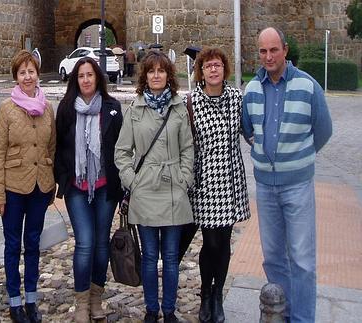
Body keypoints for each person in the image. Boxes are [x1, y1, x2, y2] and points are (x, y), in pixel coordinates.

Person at [242, 27, 332, 323]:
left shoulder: (308, 86)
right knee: (273, 259)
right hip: (266, 188)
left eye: (274, 50)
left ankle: (303, 318)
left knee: (303, 260)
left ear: (286, 49)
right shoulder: (253, 88)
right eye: (263, 51)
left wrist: (298, 157)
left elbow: (323, 130)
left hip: (298, 186)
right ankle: (280, 314)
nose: (268, 57)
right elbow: (247, 127)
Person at [115, 51, 194, 323]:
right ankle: (151, 308)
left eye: (161, 71)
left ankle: (169, 310)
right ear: (145, 76)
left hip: (173, 187)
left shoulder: (179, 108)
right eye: (151, 71)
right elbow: (122, 152)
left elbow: (187, 148)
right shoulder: (135, 110)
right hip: (145, 189)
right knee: (149, 256)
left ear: (168, 75)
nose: (156, 75)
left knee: (171, 257)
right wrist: (133, 181)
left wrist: (184, 178)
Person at [54, 57, 123, 322]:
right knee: (85, 243)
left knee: (101, 245)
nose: (85, 80)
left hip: (105, 187)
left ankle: (96, 299)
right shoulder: (67, 109)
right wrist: (64, 177)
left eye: (90, 75)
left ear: (97, 78)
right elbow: (58, 145)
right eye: (81, 75)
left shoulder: (112, 107)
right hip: (77, 188)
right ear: (76, 79)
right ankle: (82, 302)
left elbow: (121, 147)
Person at [0, 50, 55, 323]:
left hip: (40, 186)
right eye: (22, 72)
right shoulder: (6, 109)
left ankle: (31, 297)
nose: (27, 76)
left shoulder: (48, 107)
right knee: (12, 244)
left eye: (31, 71)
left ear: (37, 74)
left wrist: (51, 180)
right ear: (16, 77)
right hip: (14, 188)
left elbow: (51, 146)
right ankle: (14, 300)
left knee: (32, 243)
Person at [187, 47, 251, 323]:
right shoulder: (192, 102)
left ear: (225, 70)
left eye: (218, 65)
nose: (213, 70)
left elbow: (250, 131)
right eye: (208, 66)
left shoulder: (237, 99)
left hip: (230, 178)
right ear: (200, 72)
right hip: (204, 182)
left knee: (223, 242)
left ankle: (217, 295)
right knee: (209, 242)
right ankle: (205, 292)